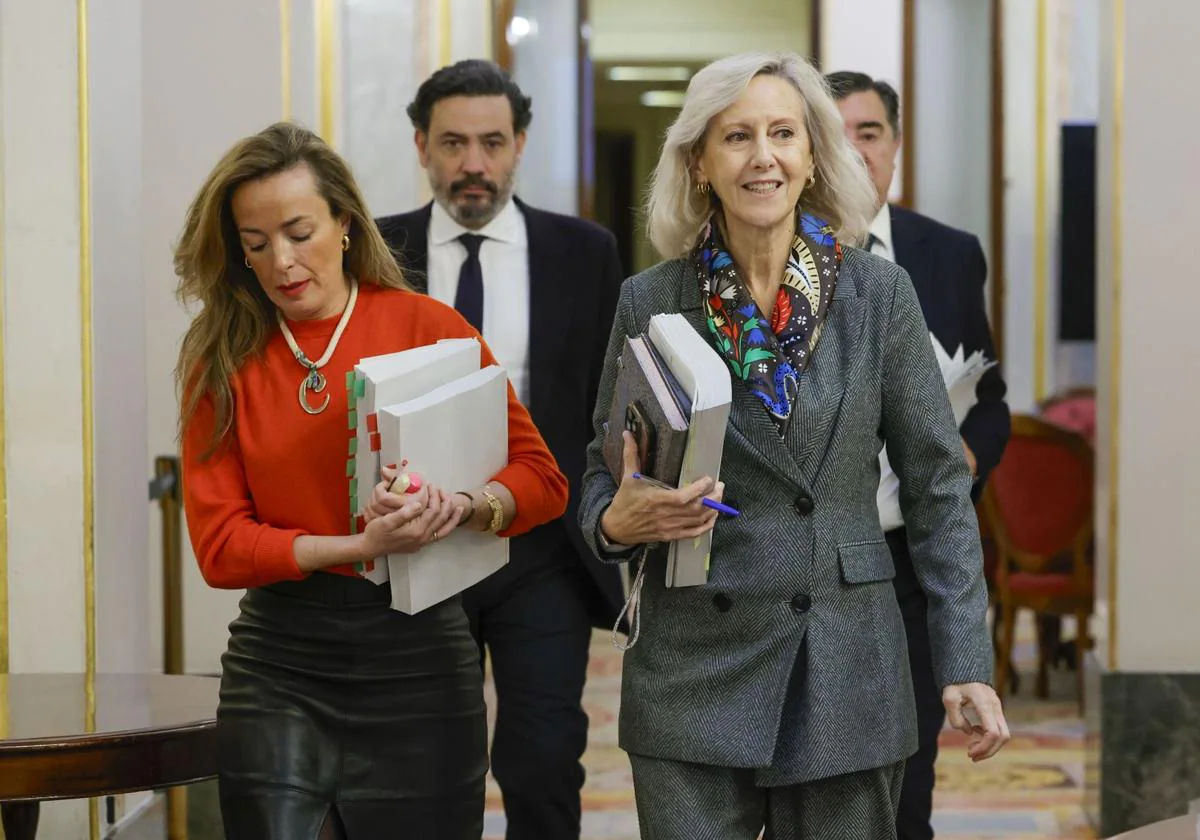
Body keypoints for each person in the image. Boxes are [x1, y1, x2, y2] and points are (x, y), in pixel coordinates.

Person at [577, 51, 1011, 839]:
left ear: (813, 156)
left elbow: (938, 486)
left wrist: (966, 660)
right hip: (691, 666)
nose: (762, 156)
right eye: (736, 136)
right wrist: (614, 524)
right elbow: (602, 477)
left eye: (783, 133)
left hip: (843, 658)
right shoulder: (649, 299)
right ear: (701, 163)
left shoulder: (880, 295)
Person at [175, 121, 568, 840]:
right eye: (256, 245)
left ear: (346, 225)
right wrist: (355, 545)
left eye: (299, 232)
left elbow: (541, 480)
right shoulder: (222, 355)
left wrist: (464, 505)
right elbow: (220, 547)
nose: (283, 262)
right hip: (281, 664)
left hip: (419, 662)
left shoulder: (428, 326)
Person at [376, 59, 624, 840]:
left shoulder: (584, 252)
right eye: (453, 143)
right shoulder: (376, 254)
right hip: (420, 547)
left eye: (491, 142)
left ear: (519, 144)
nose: (473, 164)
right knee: (425, 764)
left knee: (543, 757)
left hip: (540, 548)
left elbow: (608, 398)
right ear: (422, 146)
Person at [828, 69, 1012, 840]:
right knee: (822, 777)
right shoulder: (765, 262)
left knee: (907, 783)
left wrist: (965, 458)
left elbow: (991, 397)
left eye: (868, 134)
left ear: (895, 148)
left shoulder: (947, 254)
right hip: (814, 556)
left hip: (909, 551)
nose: (854, 153)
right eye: (834, 136)